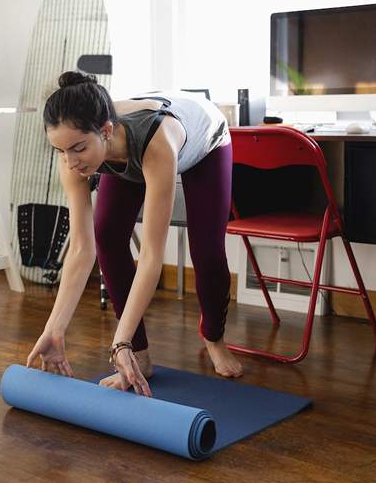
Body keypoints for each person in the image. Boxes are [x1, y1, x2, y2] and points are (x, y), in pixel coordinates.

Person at [25, 71, 243, 398]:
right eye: (60, 151)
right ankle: (139, 354)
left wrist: (118, 341)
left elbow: (152, 256)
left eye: (78, 149)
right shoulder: (74, 148)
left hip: (203, 140)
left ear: (106, 131)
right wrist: (54, 328)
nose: (70, 162)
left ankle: (214, 338)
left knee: (207, 252)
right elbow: (82, 249)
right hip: (124, 148)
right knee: (107, 235)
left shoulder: (156, 142)